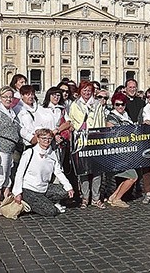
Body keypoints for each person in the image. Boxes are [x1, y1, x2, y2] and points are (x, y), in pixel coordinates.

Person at [12, 129, 75, 216]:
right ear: (38, 139)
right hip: (29, 189)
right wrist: (17, 192)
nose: (47, 141)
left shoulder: (52, 154)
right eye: (43, 138)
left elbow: (58, 172)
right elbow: (19, 173)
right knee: (51, 211)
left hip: (44, 188)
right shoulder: (29, 152)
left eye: (49, 138)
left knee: (65, 192)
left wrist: (69, 187)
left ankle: (41, 202)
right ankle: (30, 204)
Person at [69, 81, 106, 209]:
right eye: (84, 90)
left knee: (97, 170)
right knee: (83, 170)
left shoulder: (97, 105)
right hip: (80, 140)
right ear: (80, 91)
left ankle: (96, 197)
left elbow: (102, 121)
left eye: (89, 90)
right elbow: (71, 121)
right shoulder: (74, 105)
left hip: (95, 139)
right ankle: (85, 197)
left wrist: (102, 136)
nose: (86, 92)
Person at [0, 86, 21, 215]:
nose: (8, 99)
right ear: (0, 97)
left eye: (10, 97)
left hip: (10, 148)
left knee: (7, 176)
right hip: (1, 147)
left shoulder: (12, 111)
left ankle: (6, 199)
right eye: (5, 97)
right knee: (0, 176)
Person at [105, 92, 138, 208]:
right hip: (118, 152)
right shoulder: (111, 117)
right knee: (132, 177)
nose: (120, 107)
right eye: (117, 104)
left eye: (122, 104)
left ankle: (113, 197)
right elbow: (112, 134)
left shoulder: (126, 115)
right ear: (113, 104)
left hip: (127, 151)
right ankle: (118, 198)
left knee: (127, 175)